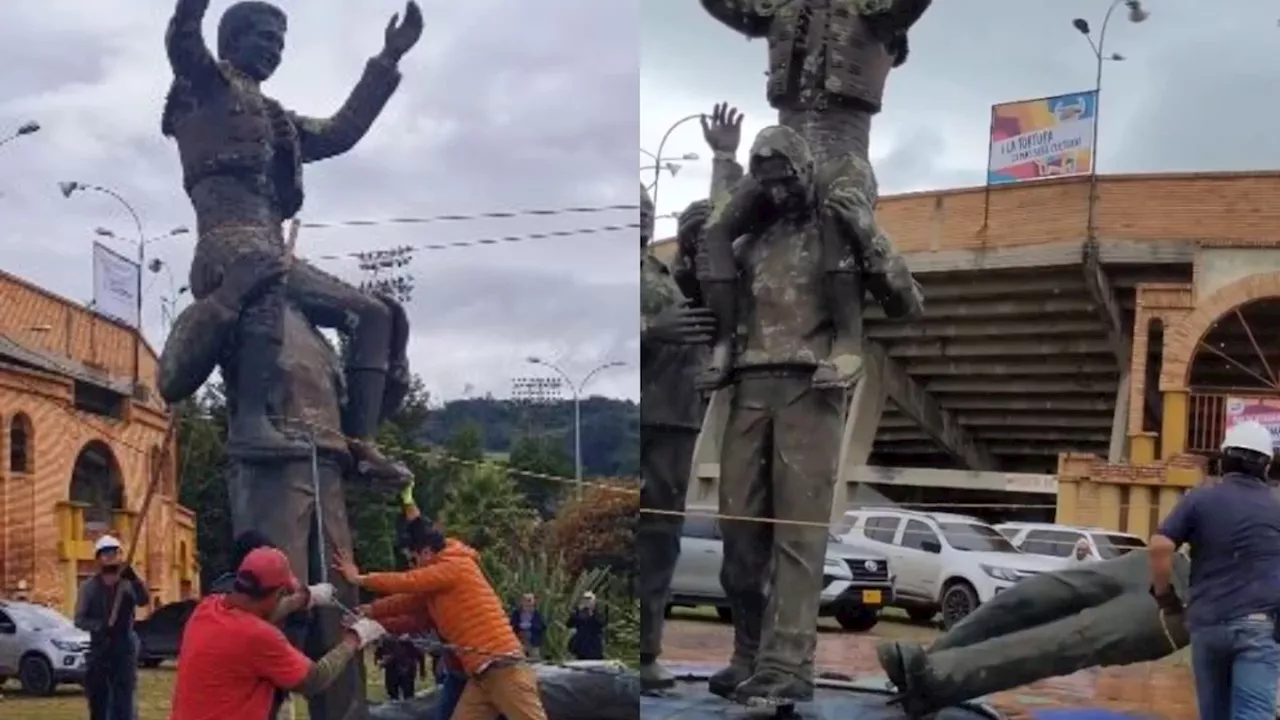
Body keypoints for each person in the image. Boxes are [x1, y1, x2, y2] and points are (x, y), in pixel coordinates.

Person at [333, 521, 549, 720]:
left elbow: (409, 582)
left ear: (426, 553)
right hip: (480, 676)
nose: (412, 565)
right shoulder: (441, 576)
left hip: (504, 669)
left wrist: (359, 579)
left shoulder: (454, 567)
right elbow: (411, 601)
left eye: (413, 559)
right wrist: (371, 610)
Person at [1150, 419, 1280, 720]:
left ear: (1224, 461)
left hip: (1207, 623)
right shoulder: (1276, 506)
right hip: (1258, 626)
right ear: (1265, 466)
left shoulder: (1200, 498)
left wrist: (1165, 598)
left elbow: (1160, 546)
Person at [170, 546, 385, 719]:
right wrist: (355, 638)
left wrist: (303, 598)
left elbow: (254, 614)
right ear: (279, 592)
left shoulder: (208, 608)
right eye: (284, 594)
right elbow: (314, 679)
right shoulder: (258, 637)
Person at [75, 534, 149, 720]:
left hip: (124, 649)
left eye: (114, 553)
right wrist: (100, 626)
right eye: (105, 554)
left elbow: (143, 601)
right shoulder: (89, 587)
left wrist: (135, 581)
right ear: (98, 559)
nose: (110, 557)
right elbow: (79, 619)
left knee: (123, 698)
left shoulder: (127, 584)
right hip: (100, 648)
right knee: (99, 697)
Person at [375, 635, 426, 701]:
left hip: (406, 670)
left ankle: (405, 705)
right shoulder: (386, 641)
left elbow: (420, 655)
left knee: (407, 694)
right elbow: (379, 653)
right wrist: (381, 660)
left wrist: (422, 670)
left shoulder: (409, 641)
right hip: (394, 670)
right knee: (393, 693)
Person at [567, 591, 607, 661]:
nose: (587, 602)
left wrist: (591, 612)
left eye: (589, 600)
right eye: (585, 600)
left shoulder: (597, 614)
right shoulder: (578, 613)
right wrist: (577, 612)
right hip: (580, 646)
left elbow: (601, 624)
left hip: (594, 646)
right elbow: (569, 624)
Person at [510, 593, 547, 660]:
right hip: (520, 640)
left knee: (534, 659)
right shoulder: (516, 613)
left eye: (530, 603)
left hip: (533, 640)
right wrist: (519, 626)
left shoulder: (537, 614)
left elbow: (542, 626)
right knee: (519, 659)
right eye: (526, 601)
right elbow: (512, 625)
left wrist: (531, 626)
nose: (528, 605)